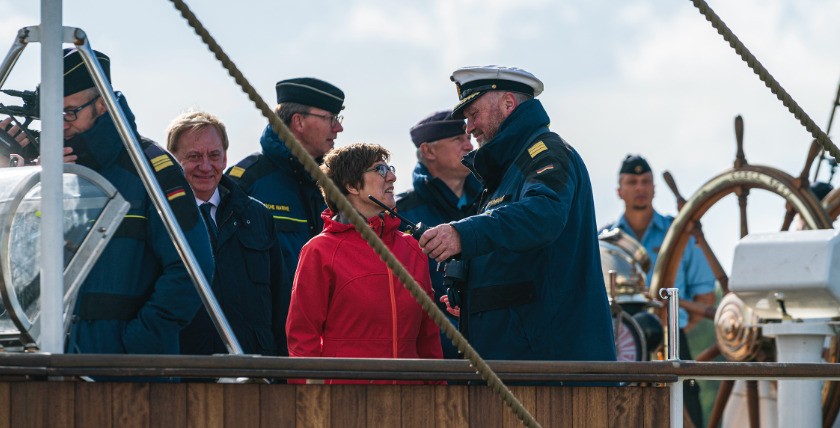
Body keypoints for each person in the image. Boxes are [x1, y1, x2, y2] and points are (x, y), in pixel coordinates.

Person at [418, 65, 616, 363]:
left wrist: (462, 234)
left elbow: (542, 215)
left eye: (473, 114)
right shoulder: (511, 168)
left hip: (551, 371)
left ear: (508, 104)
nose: (469, 128)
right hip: (520, 365)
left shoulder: (546, 154)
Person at [58, 48, 214, 355]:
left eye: (69, 113)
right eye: (51, 114)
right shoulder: (50, 170)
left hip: (133, 374)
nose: (60, 125)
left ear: (102, 105)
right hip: (53, 368)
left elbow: (192, 269)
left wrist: (137, 344)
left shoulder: (153, 169)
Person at [286, 143, 443, 384]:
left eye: (389, 168)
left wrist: (440, 399)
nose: (392, 176)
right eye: (380, 170)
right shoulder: (319, 250)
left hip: (411, 402)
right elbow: (302, 338)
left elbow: (429, 338)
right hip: (345, 403)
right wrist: (309, 407)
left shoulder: (413, 248)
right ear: (351, 186)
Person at [602, 154, 714, 425]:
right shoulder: (604, 240)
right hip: (623, 338)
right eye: (632, 182)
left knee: (688, 408)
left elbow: (705, 296)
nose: (639, 187)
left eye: (645, 181)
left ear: (654, 188)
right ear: (620, 190)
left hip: (674, 339)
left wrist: (674, 327)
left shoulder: (680, 235)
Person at [166, 111, 288, 356]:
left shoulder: (257, 216)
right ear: (173, 159)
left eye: (214, 155)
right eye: (193, 156)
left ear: (225, 159)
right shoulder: (161, 218)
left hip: (254, 371)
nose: (205, 166)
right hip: (186, 371)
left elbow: (281, 302)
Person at [226, 77, 344, 286]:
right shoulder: (245, 182)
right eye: (331, 118)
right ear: (298, 121)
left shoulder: (339, 185)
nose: (338, 128)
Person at [395, 109, 481, 359]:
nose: (469, 144)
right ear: (428, 151)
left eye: (468, 138)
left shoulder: (491, 204)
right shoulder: (401, 215)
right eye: (458, 140)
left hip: (490, 349)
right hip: (429, 355)